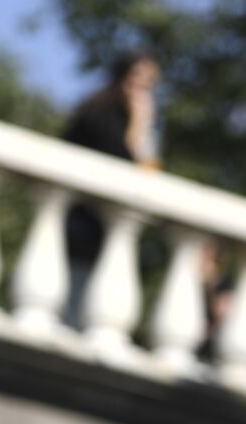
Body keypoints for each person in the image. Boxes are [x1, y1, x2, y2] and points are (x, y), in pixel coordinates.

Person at [59, 50, 162, 328]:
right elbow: (122, 165)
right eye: (137, 81)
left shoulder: (135, 121)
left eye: (148, 85)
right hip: (82, 226)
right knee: (72, 305)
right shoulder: (99, 114)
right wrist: (138, 126)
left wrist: (142, 127)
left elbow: (150, 172)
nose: (142, 92)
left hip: (109, 232)